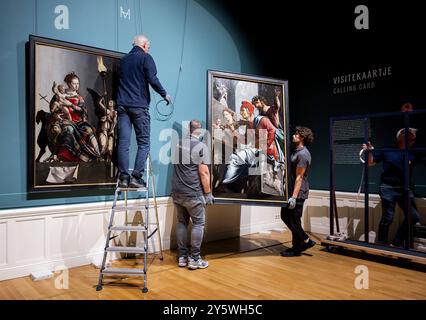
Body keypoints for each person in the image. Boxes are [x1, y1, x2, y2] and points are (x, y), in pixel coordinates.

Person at [116, 34, 171, 188]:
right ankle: (136, 177)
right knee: (144, 143)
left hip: (122, 106)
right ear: (145, 45)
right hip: (138, 106)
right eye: (149, 46)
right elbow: (152, 79)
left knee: (123, 144)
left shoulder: (123, 60)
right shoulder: (146, 58)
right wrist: (164, 94)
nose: (149, 48)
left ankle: (124, 178)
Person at [363, 128, 424, 247]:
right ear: (400, 137)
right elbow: (370, 163)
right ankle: (382, 243)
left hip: (405, 189)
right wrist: (369, 151)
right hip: (388, 188)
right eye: (410, 137)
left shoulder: (414, 152)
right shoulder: (387, 150)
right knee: (388, 217)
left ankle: (397, 242)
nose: (412, 140)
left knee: (414, 216)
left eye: (413, 138)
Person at [171, 120, 214, 270]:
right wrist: (208, 193)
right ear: (199, 131)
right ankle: (195, 259)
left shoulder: (177, 145)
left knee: (182, 222)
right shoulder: (201, 147)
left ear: (189, 129)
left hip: (177, 192)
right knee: (198, 224)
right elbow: (204, 172)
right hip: (193, 192)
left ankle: (182, 257)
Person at [280, 126, 316, 257]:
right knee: (285, 216)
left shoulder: (303, 154)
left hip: (299, 192)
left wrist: (294, 197)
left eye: (297, 134)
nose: (294, 135)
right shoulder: (296, 151)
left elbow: (299, 177)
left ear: (302, 137)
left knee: (295, 220)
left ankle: (299, 246)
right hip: (291, 191)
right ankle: (303, 241)